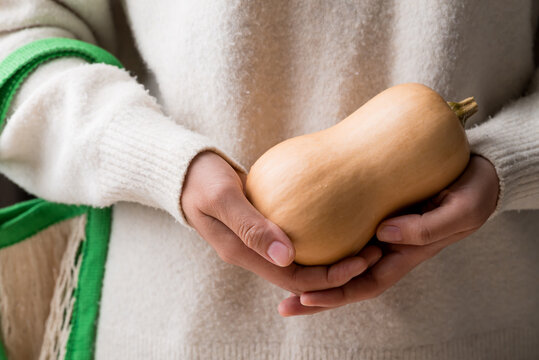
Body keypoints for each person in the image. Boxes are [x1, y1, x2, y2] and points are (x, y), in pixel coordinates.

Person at [0, 1, 538, 358]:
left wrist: (513, 157)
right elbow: (14, 36)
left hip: (479, 332)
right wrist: (160, 161)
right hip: (167, 334)